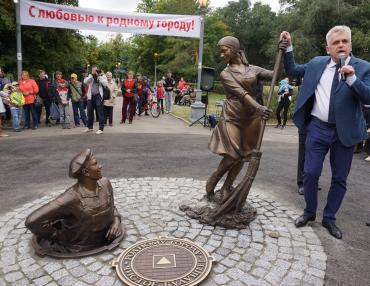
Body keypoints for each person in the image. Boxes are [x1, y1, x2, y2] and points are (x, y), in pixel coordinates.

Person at [280, 26, 370, 239]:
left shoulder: (364, 67)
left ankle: (329, 218)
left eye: (345, 41)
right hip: (318, 128)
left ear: (350, 45)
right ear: (328, 47)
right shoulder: (316, 63)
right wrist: (289, 46)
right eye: (336, 42)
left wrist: (352, 80)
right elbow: (292, 70)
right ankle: (309, 212)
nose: (341, 45)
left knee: (340, 178)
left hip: (344, 133)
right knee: (310, 174)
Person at [206, 36, 272, 200]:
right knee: (233, 155)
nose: (221, 55)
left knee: (243, 156)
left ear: (234, 48)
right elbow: (241, 94)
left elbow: (274, 75)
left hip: (250, 119)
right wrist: (259, 107)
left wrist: (283, 55)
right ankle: (213, 180)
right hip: (232, 116)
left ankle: (227, 187)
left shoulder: (253, 69)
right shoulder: (225, 73)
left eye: (224, 51)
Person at [25, 149, 123, 256]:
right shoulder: (70, 197)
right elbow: (33, 222)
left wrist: (116, 221)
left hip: (106, 239)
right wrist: (61, 237)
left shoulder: (105, 183)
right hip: (80, 249)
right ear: (85, 172)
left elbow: (112, 207)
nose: (100, 166)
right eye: (95, 164)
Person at [84, 66, 107, 134]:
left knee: (100, 112)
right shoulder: (90, 76)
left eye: (95, 70)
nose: (95, 72)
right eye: (93, 70)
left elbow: (105, 84)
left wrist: (99, 76)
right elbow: (85, 82)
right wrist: (91, 75)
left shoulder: (102, 75)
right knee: (89, 112)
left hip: (98, 96)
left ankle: (101, 128)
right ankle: (89, 127)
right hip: (91, 96)